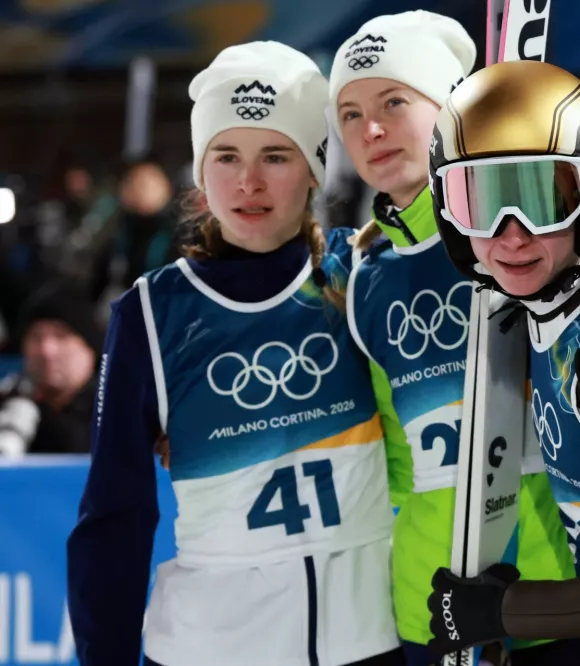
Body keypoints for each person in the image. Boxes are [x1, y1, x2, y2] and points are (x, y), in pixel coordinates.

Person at [330, 11, 580, 666]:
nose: (372, 129)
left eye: (395, 101)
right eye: (350, 112)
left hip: (562, 584)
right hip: (435, 593)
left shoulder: (552, 225)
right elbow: (396, 457)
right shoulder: (366, 270)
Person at [67, 41, 401, 666]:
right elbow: (115, 515)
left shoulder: (359, 278)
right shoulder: (152, 312)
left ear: (313, 168)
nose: (248, 182)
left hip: (371, 642)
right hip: (211, 648)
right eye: (226, 156)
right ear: (200, 172)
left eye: (276, 155)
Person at [424, 60, 580, 666]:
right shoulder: (546, 315)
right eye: (478, 202)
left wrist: (495, 610)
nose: (509, 236)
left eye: (543, 200)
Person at [0, 280, 102, 456]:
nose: (46, 350)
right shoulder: (11, 398)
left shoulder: (119, 404)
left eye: (61, 336)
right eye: (36, 337)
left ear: (89, 349)